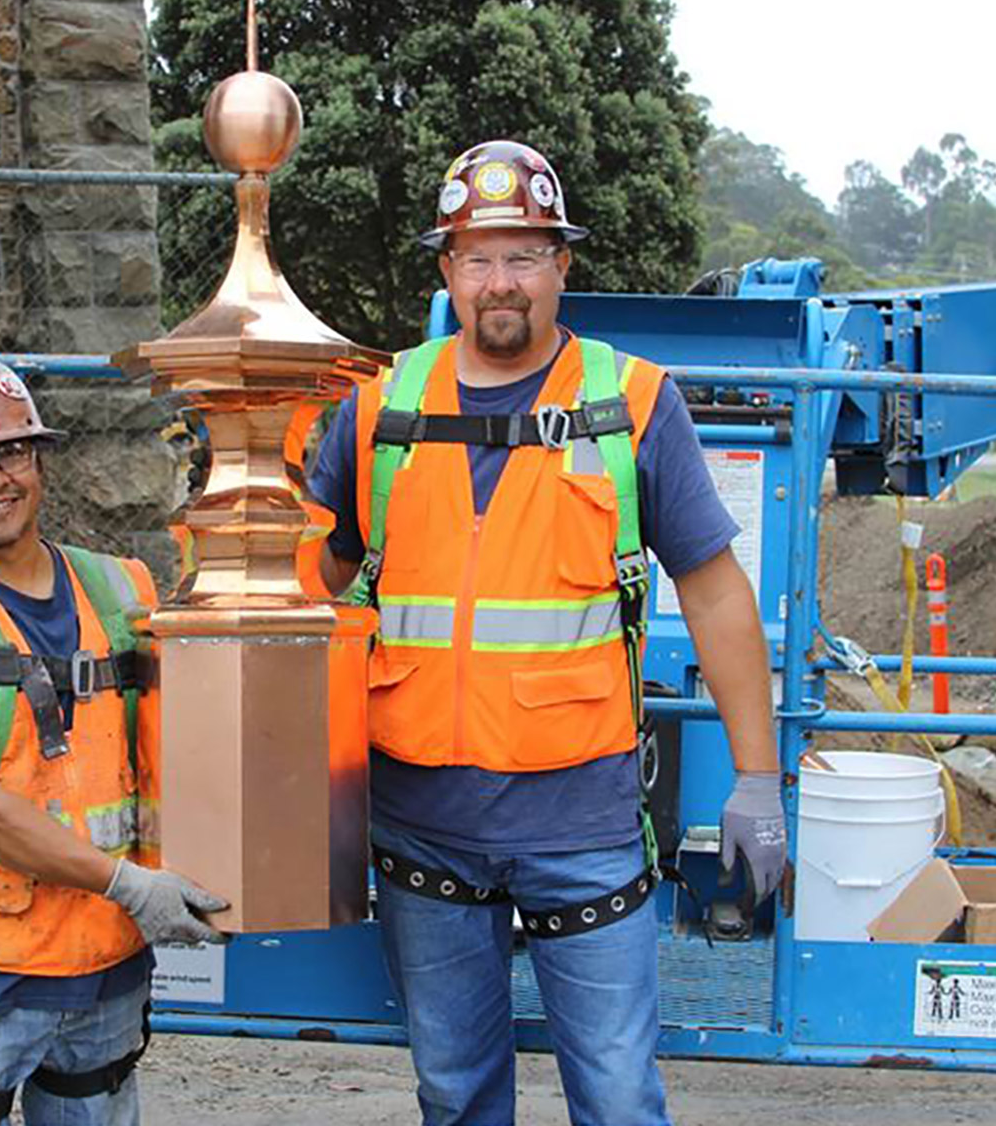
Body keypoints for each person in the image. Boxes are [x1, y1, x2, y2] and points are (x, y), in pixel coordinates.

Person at [307, 141, 785, 1126]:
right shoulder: (376, 409)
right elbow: (307, 585)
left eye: (523, 254)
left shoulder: (634, 406)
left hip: (586, 826)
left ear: (563, 264)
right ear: (446, 268)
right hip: (422, 822)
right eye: (478, 256)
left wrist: (758, 777)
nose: (500, 280)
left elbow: (717, 593)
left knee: (615, 1095)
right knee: (455, 1091)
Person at [0, 355, 228, 1126]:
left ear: (39, 463)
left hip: (104, 971)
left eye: (11, 452)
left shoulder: (124, 590)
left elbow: (183, 744)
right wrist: (131, 886)